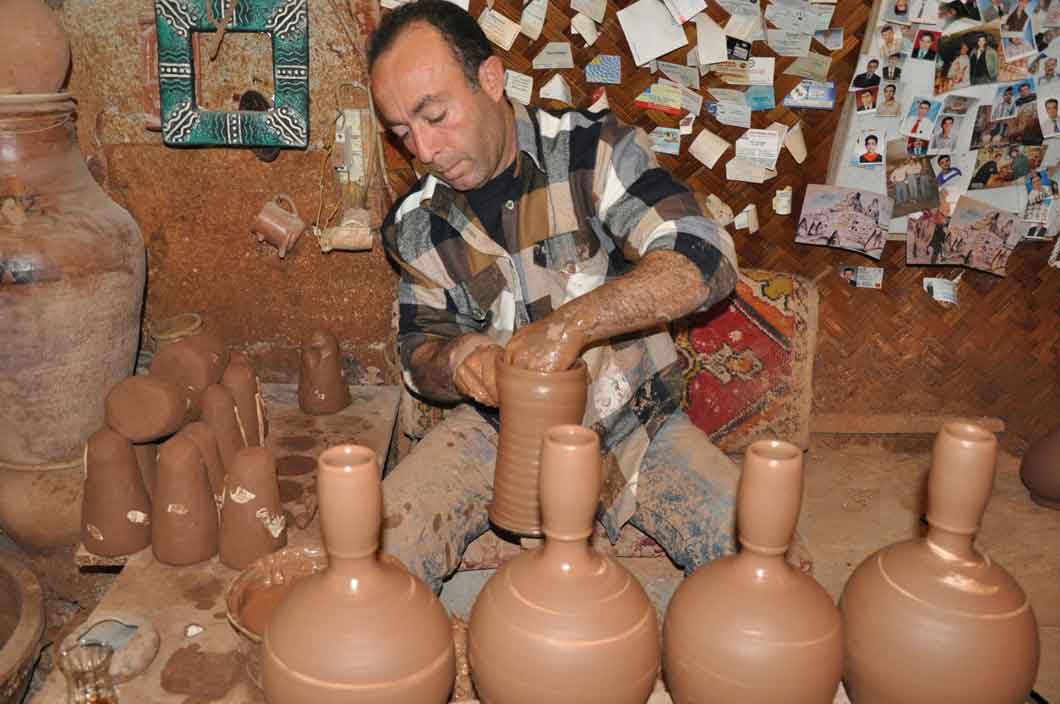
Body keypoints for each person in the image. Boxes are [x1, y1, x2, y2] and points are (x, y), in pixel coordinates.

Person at [367, 0, 792, 594]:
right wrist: (460, 361)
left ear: (491, 79)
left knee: (763, 562)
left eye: (435, 115)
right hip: (492, 432)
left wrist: (574, 324)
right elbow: (420, 352)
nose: (424, 149)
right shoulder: (415, 224)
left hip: (634, 424)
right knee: (370, 557)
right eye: (402, 132)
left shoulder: (591, 150)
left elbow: (704, 254)